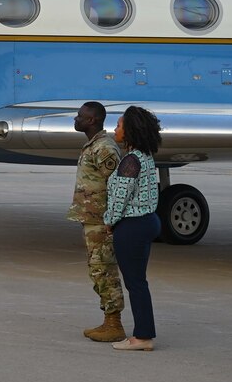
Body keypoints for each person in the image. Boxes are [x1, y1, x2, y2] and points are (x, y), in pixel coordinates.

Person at [105, 105, 163, 351]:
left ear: (129, 132)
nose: (115, 130)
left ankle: (142, 337)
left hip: (133, 225)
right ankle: (143, 333)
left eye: (119, 125)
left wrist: (109, 221)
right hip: (147, 221)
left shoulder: (130, 161)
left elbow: (120, 198)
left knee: (135, 282)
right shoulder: (145, 157)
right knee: (139, 281)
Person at [67, 101, 125, 342]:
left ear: (92, 120)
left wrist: (112, 219)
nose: (76, 119)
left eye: (80, 116)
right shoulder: (92, 146)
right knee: (97, 269)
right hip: (92, 219)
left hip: (102, 221)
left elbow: (118, 185)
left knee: (104, 269)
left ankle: (114, 323)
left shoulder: (104, 148)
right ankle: (108, 320)